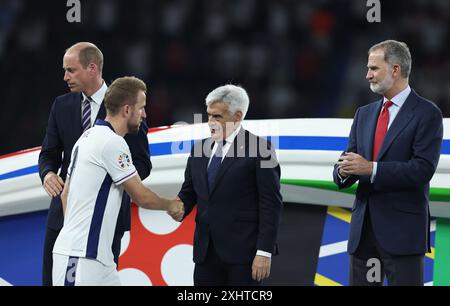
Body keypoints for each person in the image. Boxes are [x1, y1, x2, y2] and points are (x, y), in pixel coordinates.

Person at [38, 42, 152, 286]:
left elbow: (143, 162)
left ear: (92, 68)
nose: (65, 76)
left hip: (106, 219)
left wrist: (112, 176)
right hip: (64, 216)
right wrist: (47, 174)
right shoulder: (62, 105)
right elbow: (48, 153)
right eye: (65, 70)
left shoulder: (128, 107)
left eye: (71, 70)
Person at [52, 76, 183, 286]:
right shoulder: (111, 143)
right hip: (80, 256)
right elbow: (141, 196)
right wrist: (172, 205)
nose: (145, 114)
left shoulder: (88, 136)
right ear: (127, 110)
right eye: (141, 108)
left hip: (99, 258)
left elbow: (66, 193)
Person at [333, 40, 443, 286]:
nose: (367, 75)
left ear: (395, 69)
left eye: (374, 68)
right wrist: (342, 171)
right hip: (363, 235)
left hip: (402, 234)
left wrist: (370, 168)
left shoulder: (427, 114)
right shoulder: (364, 113)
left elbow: (422, 169)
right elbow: (347, 160)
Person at [171, 84, 282, 286]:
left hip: (244, 258)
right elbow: (189, 192)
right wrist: (177, 206)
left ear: (238, 116)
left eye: (217, 117)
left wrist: (264, 252)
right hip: (205, 255)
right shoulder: (199, 149)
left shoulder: (261, 149)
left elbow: (271, 204)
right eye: (209, 116)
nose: (210, 122)